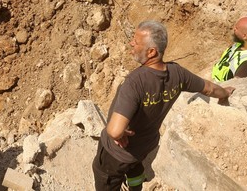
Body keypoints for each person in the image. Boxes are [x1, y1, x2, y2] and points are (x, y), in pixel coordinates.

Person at [93, 20, 233, 191]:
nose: (131, 43)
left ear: (151, 52)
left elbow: (114, 131)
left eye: (136, 42)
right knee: (135, 167)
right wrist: (225, 93)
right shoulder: (177, 73)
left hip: (116, 154)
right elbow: (209, 89)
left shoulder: (135, 82)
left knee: (105, 176)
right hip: (146, 144)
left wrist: (118, 133)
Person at [211, 17, 247, 81]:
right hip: (218, 70)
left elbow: (239, 82)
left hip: (220, 84)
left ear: (244, 36)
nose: (234, 29)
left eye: (236, 28)